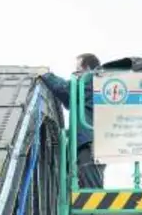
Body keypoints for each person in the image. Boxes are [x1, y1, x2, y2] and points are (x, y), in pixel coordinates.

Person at [41, 54, 106, 189]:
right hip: (94, 143)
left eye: (77, 70)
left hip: (88, 143)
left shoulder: (91, 80)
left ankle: (93, 210)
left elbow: (65, 89)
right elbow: (70, 101)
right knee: (88, 185)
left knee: (91, 191)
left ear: (87, 69)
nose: (76, 75)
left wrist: (46, 75)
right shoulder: (100, 85)